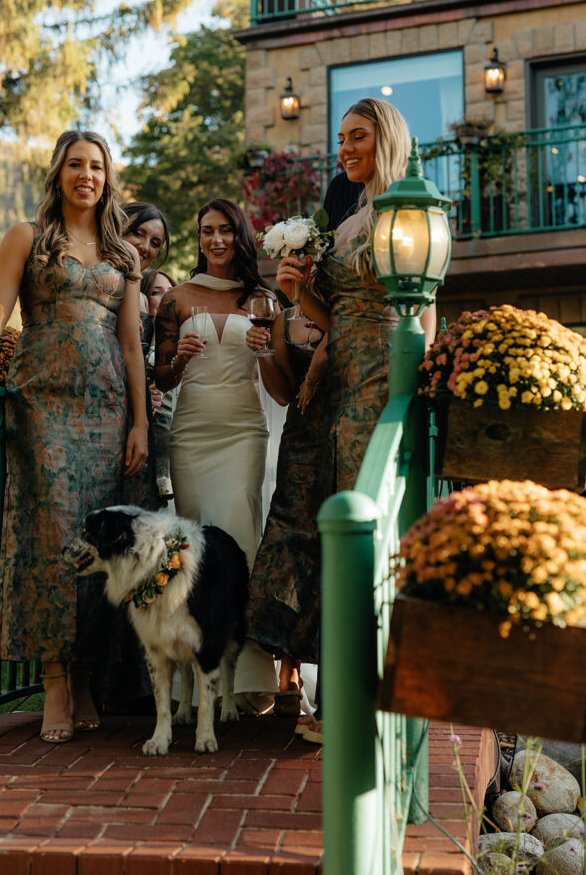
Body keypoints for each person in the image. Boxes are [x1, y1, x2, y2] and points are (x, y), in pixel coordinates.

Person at [0, 130, 148, 744]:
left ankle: (86, 674)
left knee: (99, 540)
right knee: (52, 537)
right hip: (45, 408)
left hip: (109, 410)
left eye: (97, 167)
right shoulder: (27, 238)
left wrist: (139, 421)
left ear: (108, 178)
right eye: (76, 165)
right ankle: (54, 680)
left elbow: (133, 343)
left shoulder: (124, 255)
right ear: (59, 171)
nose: (87, 175)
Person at [276, 98, 437, 741]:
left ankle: (373, 698)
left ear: (385, 139)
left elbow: (422, 312)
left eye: (358, 137)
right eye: (340, 138)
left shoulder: (407, 212)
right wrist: (296, 293)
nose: (344, 149)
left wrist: (414, 394)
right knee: (333, 535)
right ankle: (346, 691)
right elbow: (334, 319)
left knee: (371, 530)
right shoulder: (348, 219)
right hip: (339, 382)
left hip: (382, 386)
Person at [154, 198, 278, 708]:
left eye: (226, 230)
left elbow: (279, 378)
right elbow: (160, 378)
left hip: (243, 432)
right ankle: (196, 681)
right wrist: (178, 361)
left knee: (240, 537)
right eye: (207, 231)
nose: (217, 240)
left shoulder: (262, 300)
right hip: (192, 433)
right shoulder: (176, 300)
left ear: (240, 236)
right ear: (199, 237)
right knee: (194, 550)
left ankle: (247, 676)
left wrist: (266, 346)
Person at [244, 311, 330, 723]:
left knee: (329, 550)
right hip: (300, 438)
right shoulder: (283, 319)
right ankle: (288, 673)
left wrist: (317, 367)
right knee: (287, 543)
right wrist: (262, 351)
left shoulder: (344, 302)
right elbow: (282, 394)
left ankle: (328, 674)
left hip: (342, 433)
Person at [119, 202, 171, 512]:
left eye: (155, 243)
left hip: (138, 418)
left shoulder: (137, 291)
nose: (145, 247)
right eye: (137, 233)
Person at [140, 268, 177, 499]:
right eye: (157, 292)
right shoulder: (137, 334)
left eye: (171, 292)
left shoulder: (183, 333)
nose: (166, 299)